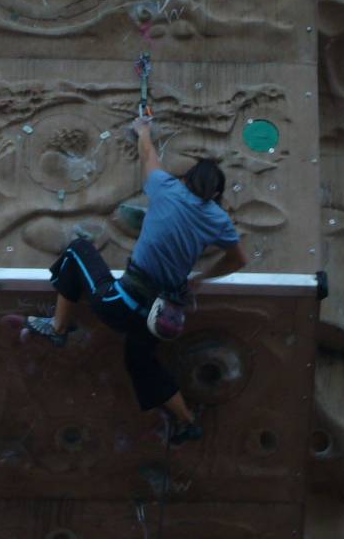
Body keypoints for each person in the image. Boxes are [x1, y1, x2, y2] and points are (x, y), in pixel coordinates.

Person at [25, 117, 248, 444]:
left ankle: (58, 329)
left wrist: (143, 130)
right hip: (158, 318)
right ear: (215, 193)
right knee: (140, 363)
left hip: (121, 304)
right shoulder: (219, 220)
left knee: (77, 251)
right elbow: (239, 259)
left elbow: (148, 156)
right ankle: (187, 422)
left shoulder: (166, 189)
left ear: (186, 179)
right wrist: (201, 278)